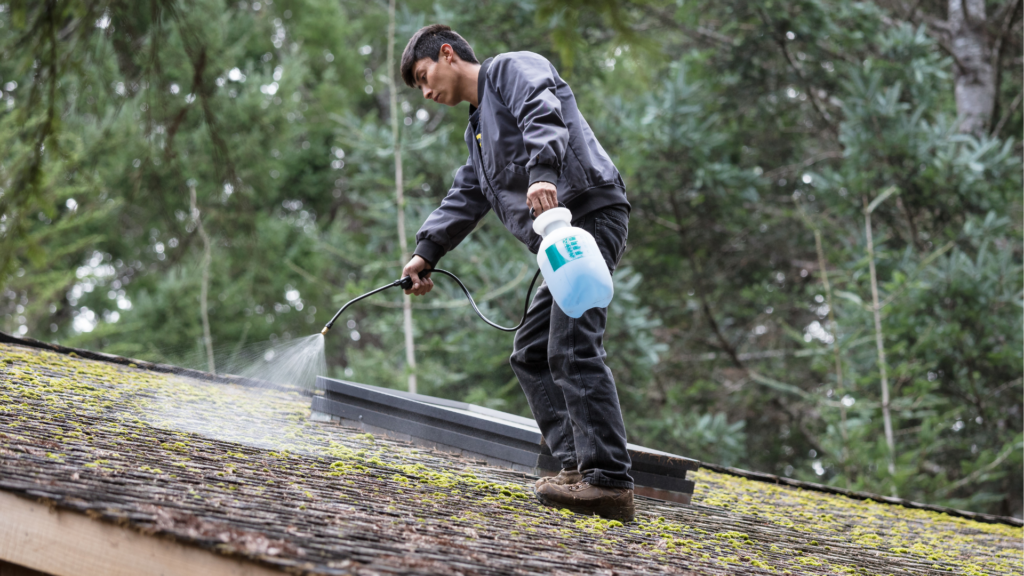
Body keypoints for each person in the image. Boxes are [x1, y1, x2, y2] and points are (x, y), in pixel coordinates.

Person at [399, 24, 634, 522]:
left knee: (571, 344)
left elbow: (541, 110)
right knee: (531, 352)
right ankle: (576, 468)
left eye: (424, 76)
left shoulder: (509, 69)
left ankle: (609, 480)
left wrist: (543, 175)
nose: (426, 92)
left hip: (585, 216)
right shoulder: (478, 131)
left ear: (447, 54)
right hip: (558, 243)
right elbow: (467, 194)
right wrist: (427, 252)